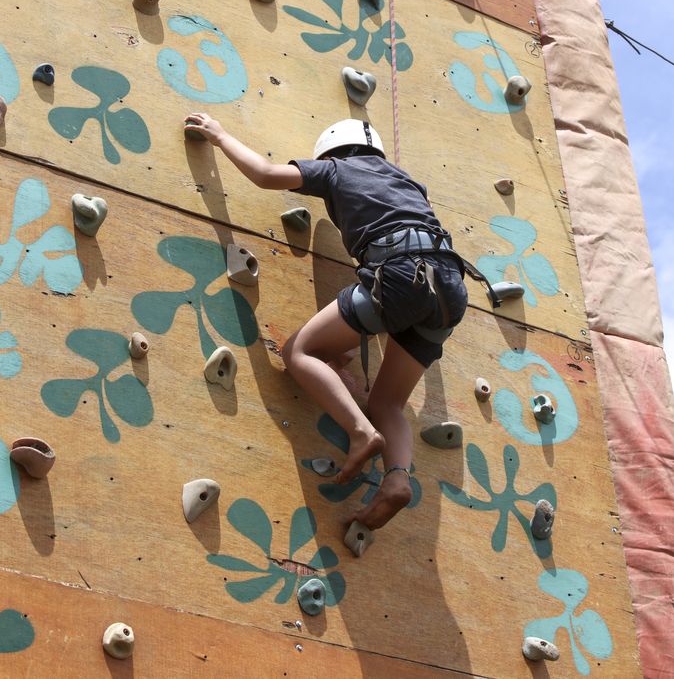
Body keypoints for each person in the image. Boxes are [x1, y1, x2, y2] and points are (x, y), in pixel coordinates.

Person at [183, 112, 468, 530]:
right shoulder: (407, 182)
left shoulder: (337, 169)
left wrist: (220, 136)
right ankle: (396, 478)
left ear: (333, 151)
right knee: (387, 402)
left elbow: (265, 174)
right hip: (450, 288)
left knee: (299, 350)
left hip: (401, 274)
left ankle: (359, 432)